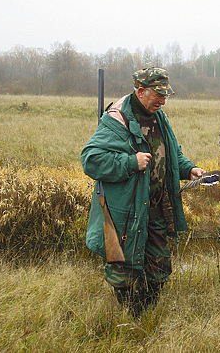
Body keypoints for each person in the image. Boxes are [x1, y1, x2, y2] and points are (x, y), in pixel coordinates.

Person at [81, 67, 205, 316]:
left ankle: (143, 312)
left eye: (165, 95)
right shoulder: (117, 120)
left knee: (160, 271)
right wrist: (130, 163)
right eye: (158, 94)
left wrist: (188, 169)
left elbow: (170, 154)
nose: (163, 100)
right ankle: (131, 316)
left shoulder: (159, 117)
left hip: (156, 209)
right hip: (126, 212)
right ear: (140, 91)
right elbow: (91, 159)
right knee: (122, 272)